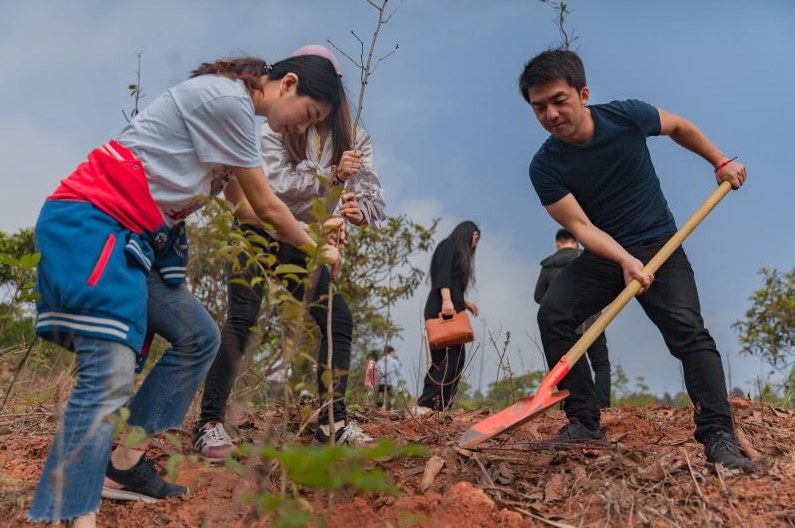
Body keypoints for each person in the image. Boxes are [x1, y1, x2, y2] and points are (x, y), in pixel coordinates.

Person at [28, 54, 346, 527]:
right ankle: (70, 512)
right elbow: (267, 204)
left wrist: (311, 224)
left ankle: (123, 466)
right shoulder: (229, 102)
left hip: (138, 244)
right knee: (109, 374)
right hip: (95, 223)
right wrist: (318, 244)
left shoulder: (235, 121)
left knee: (198, 335)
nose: (302, 129)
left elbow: (248, 213)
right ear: (288, 84)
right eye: (309, 116)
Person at [519, 49, 753, 471]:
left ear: (583, 93)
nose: (551, 114)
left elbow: (679, 126)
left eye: (559, 100)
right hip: (606, 252)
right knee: (554, 313)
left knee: (688, 333)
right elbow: (582, 227)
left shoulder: (626, 117)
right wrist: (623, 259)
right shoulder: (545, 166)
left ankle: (720, 438)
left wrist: (719, 161)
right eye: (539, 107)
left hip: (659, 243)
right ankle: (583, 423)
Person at [194, 45, 385, 459]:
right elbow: (271, 193)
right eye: (310, 110)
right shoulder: (272, 122)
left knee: (336, 317)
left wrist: (353, 210)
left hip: (302, 237)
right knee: (243, 315)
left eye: (320, 113)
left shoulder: (353, 140)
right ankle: (210, 421)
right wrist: (330, 178)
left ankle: (332, 421)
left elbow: (374, 204)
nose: (306, 123)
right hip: (259, 227)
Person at [534, 228, 610, 408]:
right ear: (576, 242)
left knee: (566, 367)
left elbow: (539, 297)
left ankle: (570, 406)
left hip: (565, 323)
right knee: (600, 364)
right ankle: (602, 405)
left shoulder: (549, 266)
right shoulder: (587, 259)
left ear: (557, 244)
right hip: (592, 321)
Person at [414, 222, 480, 414]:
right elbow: (442, 276)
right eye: (474, 236)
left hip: (451, 306)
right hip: (442, 309)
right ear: (466, 233)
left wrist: (464, 302)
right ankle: (425, 405)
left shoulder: (458, 252)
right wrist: (447, 301)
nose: (475, 241)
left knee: (455, 360)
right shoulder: (449, 245)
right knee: (445, 360)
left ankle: (440, 407)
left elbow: (452, 281)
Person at [376, 345, 402, 410]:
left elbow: (377, 373)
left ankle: (381, 409)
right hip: (392, 384)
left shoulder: (379, 362)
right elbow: (399, 373)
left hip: (381, 384)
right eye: (393, 352)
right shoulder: (394, 362)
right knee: (392, 400)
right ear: (391, 352)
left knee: (382, 399)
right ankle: (390, 410)